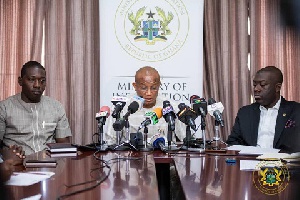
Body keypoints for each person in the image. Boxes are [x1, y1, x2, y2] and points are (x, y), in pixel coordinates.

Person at [0, 61, 72, 155]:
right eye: (31, 79)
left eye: (42, 81)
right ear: (20, 81)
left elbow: (64, 145)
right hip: (18, 164)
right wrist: (7, 153)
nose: (37, 85)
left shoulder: (56, 107)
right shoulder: (4, 108)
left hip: (49, 163)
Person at [105, 66, 186, 146]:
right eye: (144, 88)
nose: (149, 93)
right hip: (131, 157)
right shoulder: (121, 108)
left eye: (154, 88)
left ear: (159, 85)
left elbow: (185, 139)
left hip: (163, 157)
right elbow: (110, 142)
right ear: (135, 86)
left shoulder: (171, 107)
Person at [226, 66, 300, 152]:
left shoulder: (296, 111)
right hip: (249, 161)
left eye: (263, 85)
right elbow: (233, 143)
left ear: (277, 87)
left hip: (283, 163)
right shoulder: (245, 113)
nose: (256, 89)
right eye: (254, 85)